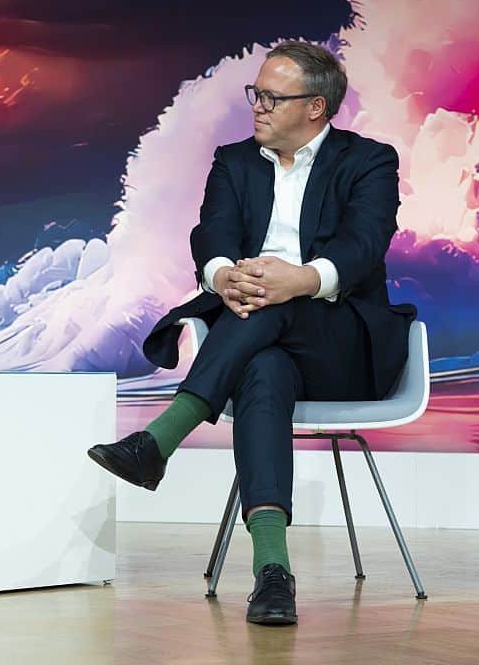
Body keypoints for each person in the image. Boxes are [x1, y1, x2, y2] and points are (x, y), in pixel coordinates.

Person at [88, 41, 416, 626]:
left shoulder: (368, 161)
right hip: (259, 340)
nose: (257, 107)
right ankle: (273, 574)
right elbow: (210, 235)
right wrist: (224, 276)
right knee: (263, 369)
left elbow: (364, 245)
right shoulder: (234, 161)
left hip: (342, 349)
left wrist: (303, 280)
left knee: (274, 300)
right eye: (255, 94)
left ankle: (159, 440)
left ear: (315, 108)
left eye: (271, 97)